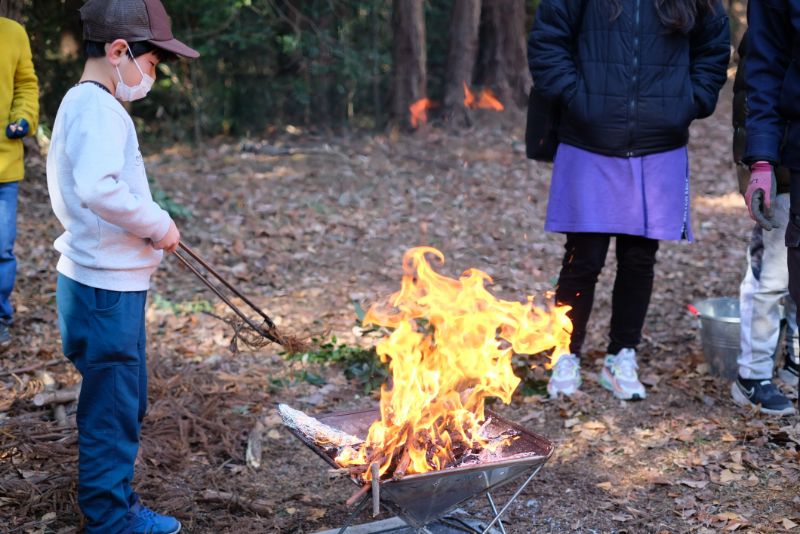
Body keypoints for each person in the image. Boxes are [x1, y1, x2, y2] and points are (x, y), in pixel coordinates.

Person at [46, 0, 198, 532]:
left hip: (105, 283)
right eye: (152, 65)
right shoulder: (99, 109)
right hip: (104, 288)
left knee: (123, 400)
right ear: (119, 52)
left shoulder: (85, 103)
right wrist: (158, 224)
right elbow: (98, 188)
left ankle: (114, 498)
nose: (150, 77)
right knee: (113, 409)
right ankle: (111, 519)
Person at [528, 0, 730, 399]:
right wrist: (577, 97)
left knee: (639, 258)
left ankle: (622, 354)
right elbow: (548, 40)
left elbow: (713, 45)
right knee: (582, 259)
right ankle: (565, 353)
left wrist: (689, 100)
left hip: (659, 142)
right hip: (589, 138)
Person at [731, 31, 797, 416]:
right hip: (779, 166)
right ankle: (752, 375)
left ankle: (794, 362)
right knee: (772, 275)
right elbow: (752, 102)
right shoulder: (771, 25)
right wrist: (762, 165)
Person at [0, 15, 38, 350]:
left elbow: (26, 84)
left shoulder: (13, 33)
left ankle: (0, 318)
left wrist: (22, 119)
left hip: (3, 165)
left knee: (1, 247)